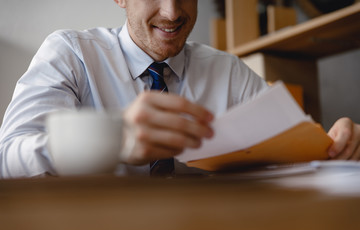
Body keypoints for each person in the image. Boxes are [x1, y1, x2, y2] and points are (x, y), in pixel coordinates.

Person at [0, 0, 359, 178]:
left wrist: (339, 146)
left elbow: (303, 156)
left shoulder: (229, 70)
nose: (172, 13)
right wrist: (115, 140)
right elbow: (8, 158)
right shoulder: (71, 53)